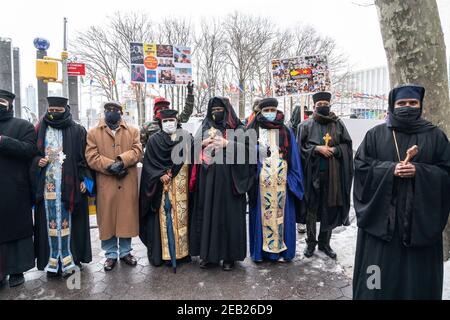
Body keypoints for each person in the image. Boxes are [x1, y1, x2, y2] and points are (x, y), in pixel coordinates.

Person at [353, 84, 450, 300]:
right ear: (392, 106)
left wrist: (420, 171)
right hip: (381, 227)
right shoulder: (375, 135)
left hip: (419, 227)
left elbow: (446, 173)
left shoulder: (436, 136)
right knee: (375, 281)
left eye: (413, 103)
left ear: (421, 105)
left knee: (415, 286)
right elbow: (360, 168)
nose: (408, 107)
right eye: (402, 103)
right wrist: (389, 170)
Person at [189, 97, 253, 271]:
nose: (216, 112)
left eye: (220, 109)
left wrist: (228, 143)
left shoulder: (238, 128)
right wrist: (201, 143)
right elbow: (190, 148)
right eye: (213, 110)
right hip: (207, 183)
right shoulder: (204, 127)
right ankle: (208, 255)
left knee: (227, 218)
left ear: (227, 110)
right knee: (208, 216)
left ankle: (228, 256)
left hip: (230, 184)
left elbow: (249, 151)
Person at [33, 96, 93, 278]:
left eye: (58, 111)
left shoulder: (77, 130)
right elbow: (31, 154)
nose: (54, 114)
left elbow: (86, 160)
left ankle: (71, 259)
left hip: (71, 187)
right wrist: (38, 161)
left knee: (72, 224)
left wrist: (87, 182)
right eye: (51, 111)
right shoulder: (39, 128)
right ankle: (52, 262)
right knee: (48, 225)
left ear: (65, 109)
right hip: (47, 189)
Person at [85, 101, 143, 271]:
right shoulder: (93, 132)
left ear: (121, 113)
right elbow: (91, 156)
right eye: (108, 110)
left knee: (127, 218)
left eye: (115, 110)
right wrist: (111, 166)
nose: (111, 113)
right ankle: (110, 255)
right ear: (104, 112)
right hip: (106, 183)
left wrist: (121, 161)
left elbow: (138, 150)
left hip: (126, 182)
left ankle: (126, 252)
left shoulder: (132, 131)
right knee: (107, 219)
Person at [247, 98, 304, 262]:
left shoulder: (285, 130)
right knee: (261, 217)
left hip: (281, 183)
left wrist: (293, 179)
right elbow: (246, 150)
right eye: (267, 110)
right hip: (260, 183)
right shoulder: (253, 128)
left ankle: (283, 252)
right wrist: (259, 149)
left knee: (282, 217)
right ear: (261, 111)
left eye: (273, 110)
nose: (270, 113)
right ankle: (261, 253)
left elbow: (293, 155)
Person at [297, 92, 353, 260]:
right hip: (311, 174)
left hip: (332, 175)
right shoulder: (305, 125)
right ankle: (311, 242)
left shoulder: (338, 124)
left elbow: (347, 146)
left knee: (329, 207)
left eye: (325, 102)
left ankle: (325, 243)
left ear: (329, 104)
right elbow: (299, 149)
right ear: (314, 106)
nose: (322, 105)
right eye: (319, 103)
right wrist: (316, 149)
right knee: (311, 209)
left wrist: (336, 150)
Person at [139, 109, 192, 270]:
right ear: (161, 123)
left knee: (182, 217)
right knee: (164, 219)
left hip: (182, 184)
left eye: (172, 120)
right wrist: (159, 174)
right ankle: (167, 254)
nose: (169, 123)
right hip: (162, 187)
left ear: (177, 121)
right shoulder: (154, 140)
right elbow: (149, 164)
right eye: (166, 121)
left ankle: (182, 253)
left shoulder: (185, 137)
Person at [0, 89, 37, 288]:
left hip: (15, 188)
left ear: (10, 104)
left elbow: (30, 150)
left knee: (16, 230)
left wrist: (4, 142)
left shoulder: (23, 126)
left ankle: (17, 270)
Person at [140, 82, 195, 146]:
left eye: (165, 109)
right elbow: (141, 146)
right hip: (155, 154)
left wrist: (190, 94)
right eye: (160, 109)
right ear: (155, 111)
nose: (163, 111)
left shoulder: (174, 121)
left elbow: (187, 112)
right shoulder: (147, 126)